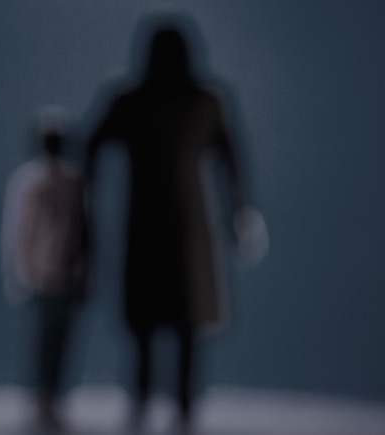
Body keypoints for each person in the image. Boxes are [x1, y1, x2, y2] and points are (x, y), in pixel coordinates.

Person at [84, 14, 267, 430]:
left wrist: (81, 203)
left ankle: (146, 403)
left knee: (148, 324)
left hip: (147, 224)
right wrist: (240, 213)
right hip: (190, 224)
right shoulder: (206, 99)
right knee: (185, 325)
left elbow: (90, 147)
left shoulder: (130, 98)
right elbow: (232, 163)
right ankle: (180, 408)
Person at [1, 105, 90, 430]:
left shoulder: (71, 180)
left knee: (59, 341)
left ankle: (51, 397)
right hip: (44, 274)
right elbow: (19, 229)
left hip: (62, 274)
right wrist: (19, 271)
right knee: (46, 341)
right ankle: (42, 397)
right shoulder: (32, 181)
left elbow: (84, 229)